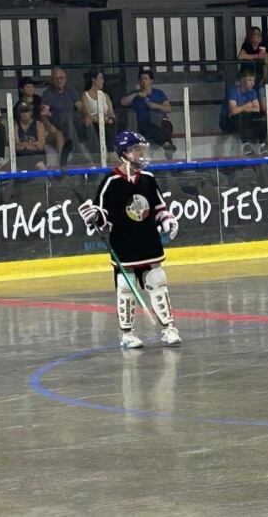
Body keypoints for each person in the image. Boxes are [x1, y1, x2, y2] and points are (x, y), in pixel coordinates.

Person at [77, 131, 181, 348]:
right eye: (136, 149)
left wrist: (167, 220)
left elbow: (159, 207)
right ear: (124, 153)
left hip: (148, 240)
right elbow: (103, 214)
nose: (141, 154)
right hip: (124, 243)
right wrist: (93, 216)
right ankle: (128, 333)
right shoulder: (111, 182)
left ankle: (168, 328)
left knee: (157, 282)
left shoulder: (148, 179)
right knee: (126, 287)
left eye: (142, 149)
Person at [120, 69, 177, 159]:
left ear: (151, 80)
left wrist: (155, 106)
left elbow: (168, 108)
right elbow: (123, 102)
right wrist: (136, 95)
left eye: (146, 79)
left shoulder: (158, 93)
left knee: (165, 127)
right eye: (141, 79)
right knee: (151, 128)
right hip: (145, 124)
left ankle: (167, 147)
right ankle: (167, 147)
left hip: (162, 120)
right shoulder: (135, 95)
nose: (143, 82)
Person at [220, 68, 266, 156]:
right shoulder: (233, 91)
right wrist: (247, 105)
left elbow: (257, 108)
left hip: (243, 119)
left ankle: (262, 143)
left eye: (253, 80)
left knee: (261, 117)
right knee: (243, 115)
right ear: (242, 80)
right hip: (227, 121)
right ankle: (245, 144)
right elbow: (233, 111)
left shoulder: (252, 92)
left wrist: (242, 109)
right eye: (249, 80)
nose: (252, 83)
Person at [81, 68, 117, 154]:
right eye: (100, 78)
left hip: (106, 121)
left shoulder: (105, 95)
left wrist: (107, 119)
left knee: (112, 123)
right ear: (93, 80)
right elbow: (88, 113)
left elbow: (111, 112)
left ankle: (111, 152)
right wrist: (100, 121)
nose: (103, 81)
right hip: (94, 122)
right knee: (104, 127)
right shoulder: (85, 95)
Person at [14, 102, 47, 170]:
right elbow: (16, 147)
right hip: (21, 158)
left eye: (26, 111)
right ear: (19, 113)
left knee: (41, 166)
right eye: (22, 111)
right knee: (17, 170)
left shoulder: (38, 124)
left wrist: (23, 145)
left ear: (31, 112)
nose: (24, 114)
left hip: (37, 157)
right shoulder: (15, 125)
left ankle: (47, 180)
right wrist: (34, 144)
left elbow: (41, 146)